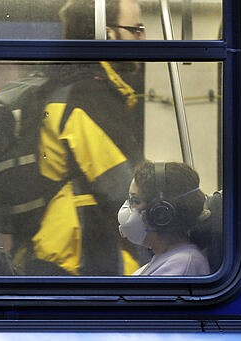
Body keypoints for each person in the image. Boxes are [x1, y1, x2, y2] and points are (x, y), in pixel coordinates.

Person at [12, 0, 146, 275]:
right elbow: (125, 187)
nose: (143, 38)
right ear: (108, 34)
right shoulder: (88, 98)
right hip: (78, 258)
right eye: (136, 29)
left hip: (53, 248)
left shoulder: (62, 87)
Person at [117, 161, 211, 276]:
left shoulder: (183, 265)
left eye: (136, 201)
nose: (127, 208)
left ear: (160, 214)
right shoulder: (164, 258)